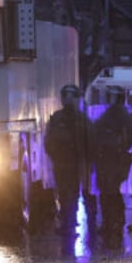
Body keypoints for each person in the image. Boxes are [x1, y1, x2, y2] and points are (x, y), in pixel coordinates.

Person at [45, 84, 94, 236]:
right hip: (70, 164)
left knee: (69, 195)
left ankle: (69, 224)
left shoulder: (64, 118)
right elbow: (91, 141)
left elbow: (48, 142)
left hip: (68, 164)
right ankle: (70, 224)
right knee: (70, 195)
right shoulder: (78, 118)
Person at [92, 85, 132, 245]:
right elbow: (131, 138)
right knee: (112, 192)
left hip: (109, 159)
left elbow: (96, 132)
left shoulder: (111, 115)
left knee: (108, 193)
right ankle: (115, 223)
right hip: (116, 159)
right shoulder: (125, 115)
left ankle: (110, 223)